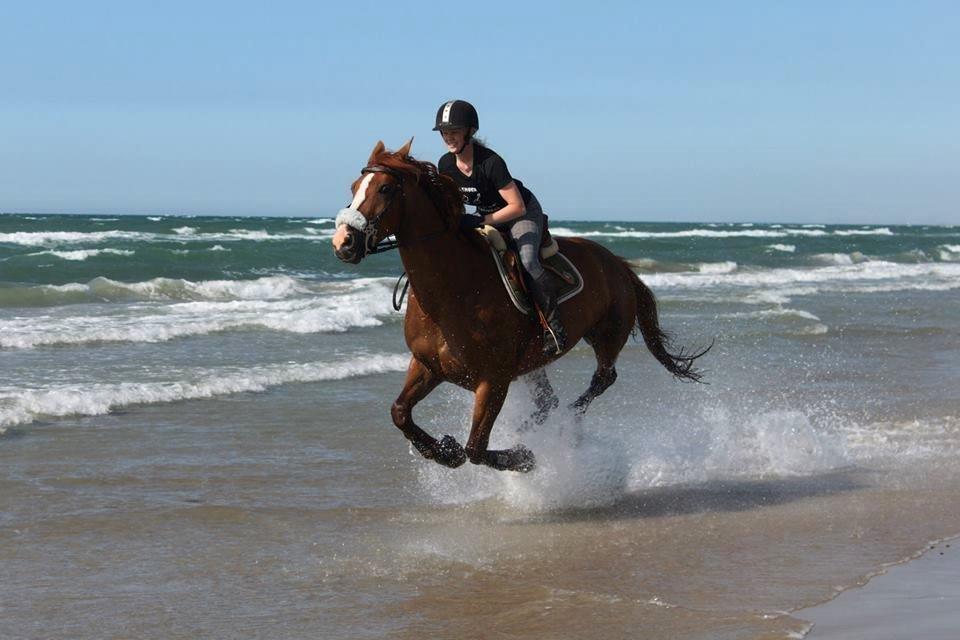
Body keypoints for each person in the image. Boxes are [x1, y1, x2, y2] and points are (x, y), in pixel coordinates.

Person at [433, 99, 567, 355]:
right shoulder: (446, 165)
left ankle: (554, 328)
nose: (449, 138)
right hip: (487, 214)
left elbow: (516, 206)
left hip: (521, 213)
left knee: (528, 262)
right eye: (444, 133)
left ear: (469, 132)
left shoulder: (491, 163)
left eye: (454, 132)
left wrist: (481, 221)